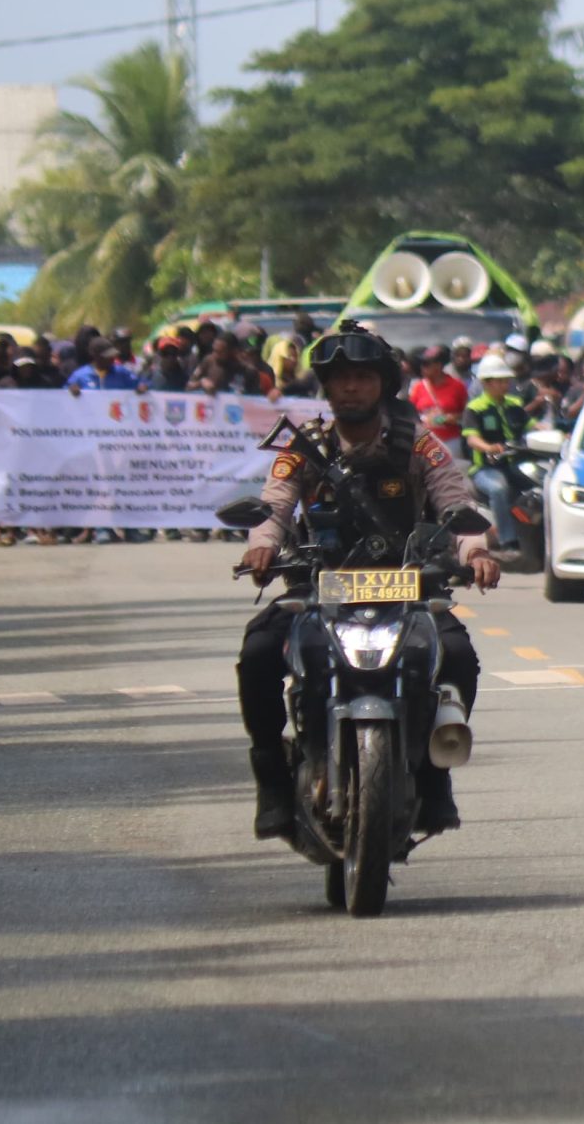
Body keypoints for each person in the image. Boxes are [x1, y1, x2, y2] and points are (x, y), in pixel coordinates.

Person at [237, 326, 499, 838]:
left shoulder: (419, 444)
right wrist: (262, 543)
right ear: (326, 388)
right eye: (340, 380)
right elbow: (274, 503)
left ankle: (432, 772)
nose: (351, 388)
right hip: (318, 586)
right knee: (259, 652)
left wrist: (476, 550)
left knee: (458, 657)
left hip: (409, 587)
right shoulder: (305, 443)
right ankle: (270, 774)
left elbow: (457, 501)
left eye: (361, 377)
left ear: (383, 384)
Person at [460, 354, 532, 551]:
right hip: (485, 468)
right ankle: (508, 541)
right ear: (487, 383)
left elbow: (532, 426)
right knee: (498, 489)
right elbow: (472, 438)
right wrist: (489, 447)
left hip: (516, 464)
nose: (505, 385)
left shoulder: (515, 404)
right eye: (500, 381)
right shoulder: (475, 408)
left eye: (506, 380)